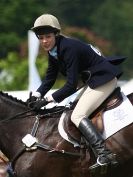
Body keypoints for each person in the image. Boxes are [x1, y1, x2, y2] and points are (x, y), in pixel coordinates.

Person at [27, 14, 123, 174]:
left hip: (103, 79)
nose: (44, 41)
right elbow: (50, 78)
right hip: (94, 80)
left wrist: (47, 100)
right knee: (72, 110)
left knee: (77, 116)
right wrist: (36, 96)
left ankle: (104, 154)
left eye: (48, 37)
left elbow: (71, 85)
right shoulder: (53, 51)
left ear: (56, 35)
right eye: (41, 37)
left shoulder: (68, 48)